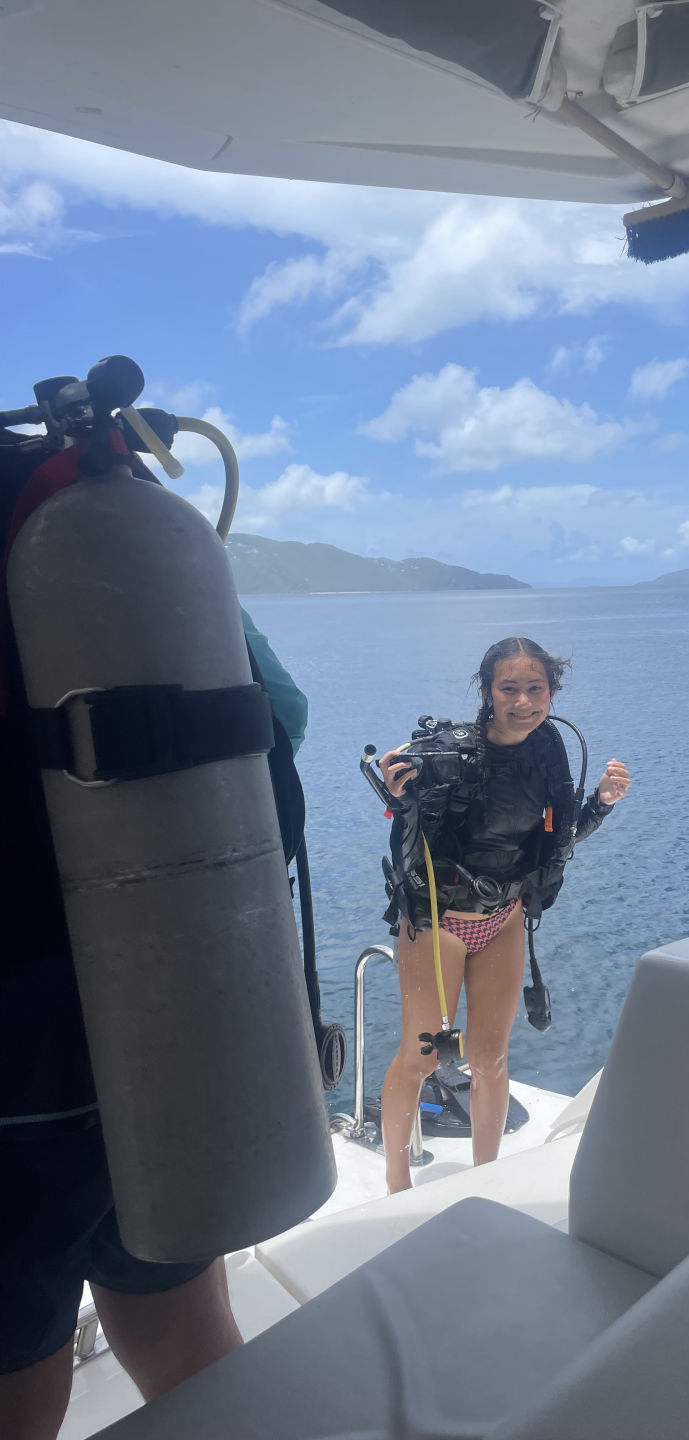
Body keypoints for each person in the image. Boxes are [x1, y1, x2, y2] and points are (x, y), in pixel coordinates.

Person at [0, 483, 307, 1440]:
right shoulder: (90, 506)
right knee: (183, 1327)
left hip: (13, 1059)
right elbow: (281, 716)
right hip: (164, 993)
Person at [377, 636, 630, 1195]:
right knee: (421, 1057)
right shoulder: (450, 755)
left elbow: (557, 842)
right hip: (439, 923)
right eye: (508, 688)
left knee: (490, 1057)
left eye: (535, 688)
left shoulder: (550, 749)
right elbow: (409, 852)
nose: (523, 702)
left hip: (504, 919)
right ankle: (396, 1186)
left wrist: (601, 805)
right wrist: (401, 800)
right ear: (487, 692)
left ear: (552, 692)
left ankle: (486, 1179)